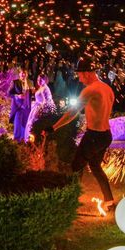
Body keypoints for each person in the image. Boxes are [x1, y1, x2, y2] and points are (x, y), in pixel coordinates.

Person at [45, 57, 116, 210]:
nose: (80, 78)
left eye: (81, 74)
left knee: (76, 166)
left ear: (88, 73)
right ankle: (109, 201)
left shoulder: (90, 89)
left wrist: (54, 127)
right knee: (95, 166)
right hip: (106, 135)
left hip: (94, 136)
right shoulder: (107, 88)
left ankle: (70, 201)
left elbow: (72, 113)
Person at [24, 74, 55, 141]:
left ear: (45, 80)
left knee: (32, 123)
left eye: (41, 80)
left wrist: (40, 110)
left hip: (39, 109)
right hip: (36, 106)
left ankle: (30, 139)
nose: (39, 81)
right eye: (38, 79)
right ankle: (28, 139)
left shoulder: (45, 89)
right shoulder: (41, 87)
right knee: (29, 122)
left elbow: (46, 101)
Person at [8, 70, 31, 142]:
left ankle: (23, 140)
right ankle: (17, 140)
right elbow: (9, 93)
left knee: (25, 124)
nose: (23, 75)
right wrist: (17, 96)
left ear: (26, 75)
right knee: (17, 124)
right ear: (20, 74)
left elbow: (30, 94)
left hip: (26, 107)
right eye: (22, 73)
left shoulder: (29, 83)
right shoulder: (15, 82)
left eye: (25, 73)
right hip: (18, 107)